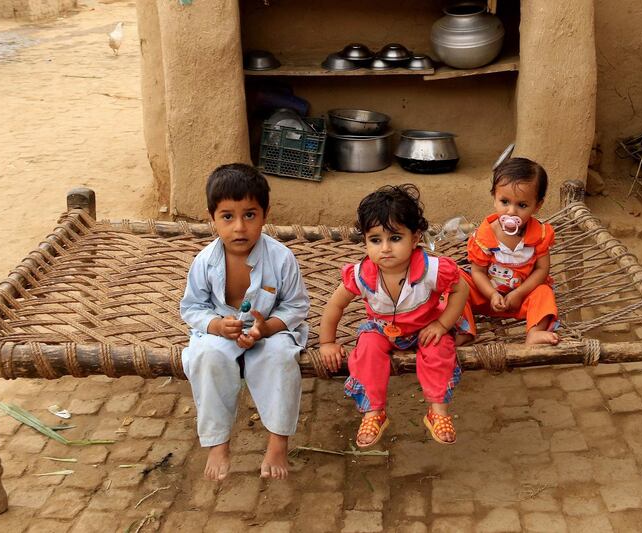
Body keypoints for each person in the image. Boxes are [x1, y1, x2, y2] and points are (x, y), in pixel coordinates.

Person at [180, 163, 310, 481]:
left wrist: (266, 328)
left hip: (270, 332)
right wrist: (215, 325)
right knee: (206, 357)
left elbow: (295, 306)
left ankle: (278, 442)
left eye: (249, 215)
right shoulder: (205, 262)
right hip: (221, 333)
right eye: (227, 216)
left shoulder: (281, 258)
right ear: (212, 219)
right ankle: (218, 444)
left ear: (265, 215)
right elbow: (193, 307)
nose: (239, 227)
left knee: (280, 358)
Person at [319, 184, 471, 447]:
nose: (385, 248)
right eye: (375, 240)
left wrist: (442, 323)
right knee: (366, 348)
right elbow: (335, 305)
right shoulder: (362, 274)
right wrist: (326, 342)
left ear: (415, 238)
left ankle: (438, 410)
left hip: (425, 326)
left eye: (395, 238)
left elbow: (462, 288)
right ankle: (373, 411)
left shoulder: (430, 269)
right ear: (365, 241)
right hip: (381, 329)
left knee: (439, 350)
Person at [457, 157, 560, 346]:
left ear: (537, 205)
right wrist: (491, 294)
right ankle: (464, 330)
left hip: (521, 297)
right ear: (494, 198)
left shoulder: (540, 235)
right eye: (504, 202)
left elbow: (542, 270)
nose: (511, 212)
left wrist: (519, 293)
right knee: (457, 284)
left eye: (522, 205)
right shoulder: (484, 236)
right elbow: (478, 272)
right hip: (485, 296)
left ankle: (535, 332)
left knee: (544, 292)